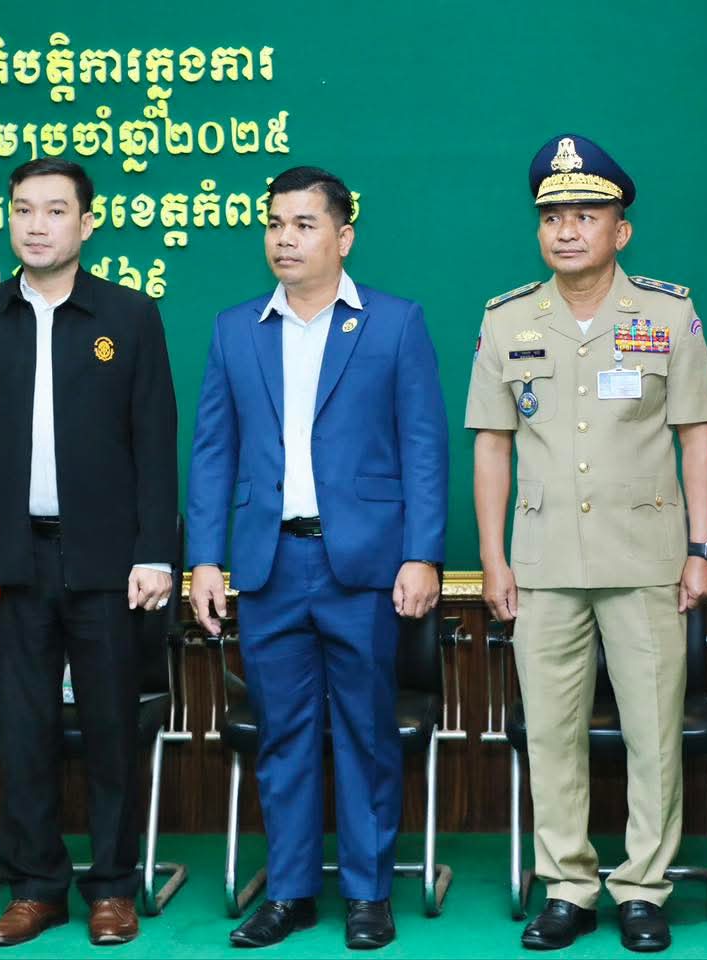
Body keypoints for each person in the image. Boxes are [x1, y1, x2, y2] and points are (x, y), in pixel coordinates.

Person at [466, 134, 707, 953]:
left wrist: (704, 548)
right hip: (543, 563)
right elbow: (493, 446)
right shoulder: (507, 319)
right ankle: (568, 887)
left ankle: (643, 888)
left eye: (585, 215)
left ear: (622, 229)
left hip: (647, 559)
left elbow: (697, 437)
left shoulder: (668, 314)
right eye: (553, 217)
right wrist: (494, 559)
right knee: (551, 736)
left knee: (653, 733)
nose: (567, 230)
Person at [187, 165, 449, 950]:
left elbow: (424, 447)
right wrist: (206, 559)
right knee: (284, 736)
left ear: (344, 236)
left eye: (304, 224)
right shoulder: (236, 329)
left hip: (363, 567)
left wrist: (423, 555)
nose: (285, 238)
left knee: (366, 731)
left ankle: (368, 895)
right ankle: (292, 892)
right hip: (269, 564)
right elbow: (212, 451)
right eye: (275, 224)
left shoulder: (394, 324)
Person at [0, 157, 178, 947]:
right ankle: (36, 886)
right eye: (23, 210)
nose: (36, 225)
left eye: (54, 210)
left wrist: (155, 552)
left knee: (110, 730)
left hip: (108, 563)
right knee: (24, 730)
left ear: (87, 223)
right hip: (10, 559)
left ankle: (111, 887)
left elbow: (155, 444)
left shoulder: (130, 315)